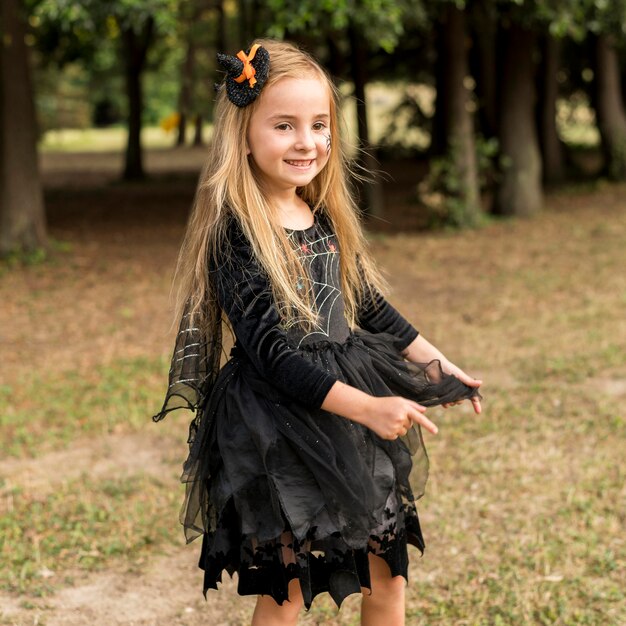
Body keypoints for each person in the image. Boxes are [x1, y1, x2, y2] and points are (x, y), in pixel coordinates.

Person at [153, 39, 482, 626]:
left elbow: (368, 304)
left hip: (349, 416)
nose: (306, 142)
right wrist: (370, 409)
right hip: (277, 426)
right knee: (287, 593)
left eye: (319, 124)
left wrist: (437, 365)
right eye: (284, 125)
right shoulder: (237, 233)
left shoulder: (320, 212)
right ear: (243, 134)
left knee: (388, 572)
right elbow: (274, 356)